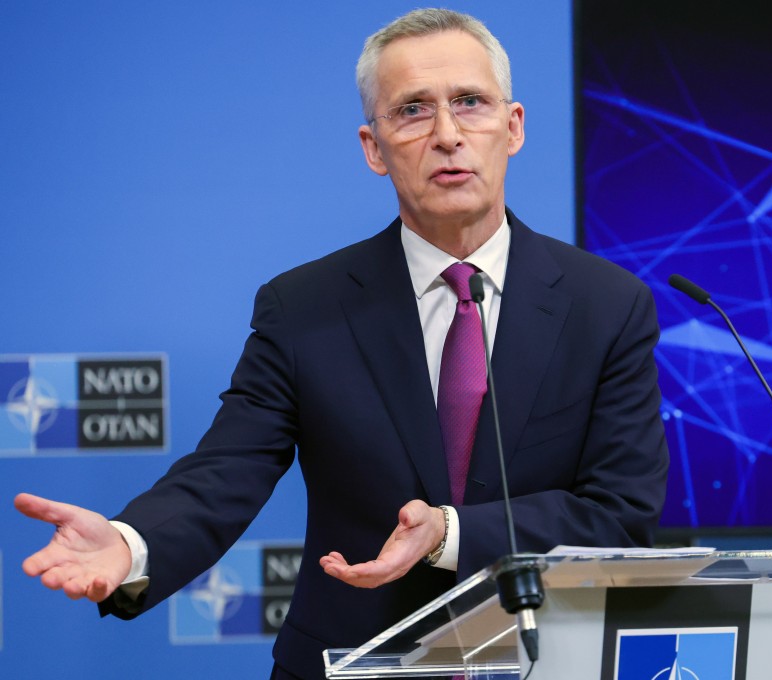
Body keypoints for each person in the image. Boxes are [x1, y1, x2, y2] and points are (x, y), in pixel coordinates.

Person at [14, 9, 669, 680]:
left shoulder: (606, 306)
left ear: (514, 126)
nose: (447, 134)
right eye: (413, 111)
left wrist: (450, 535)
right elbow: (226, 471)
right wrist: (131, 543)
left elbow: (618, 516)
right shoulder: (304, 308)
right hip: (352, 661)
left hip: (542, 661)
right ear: (373, 147)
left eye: (470, 103)